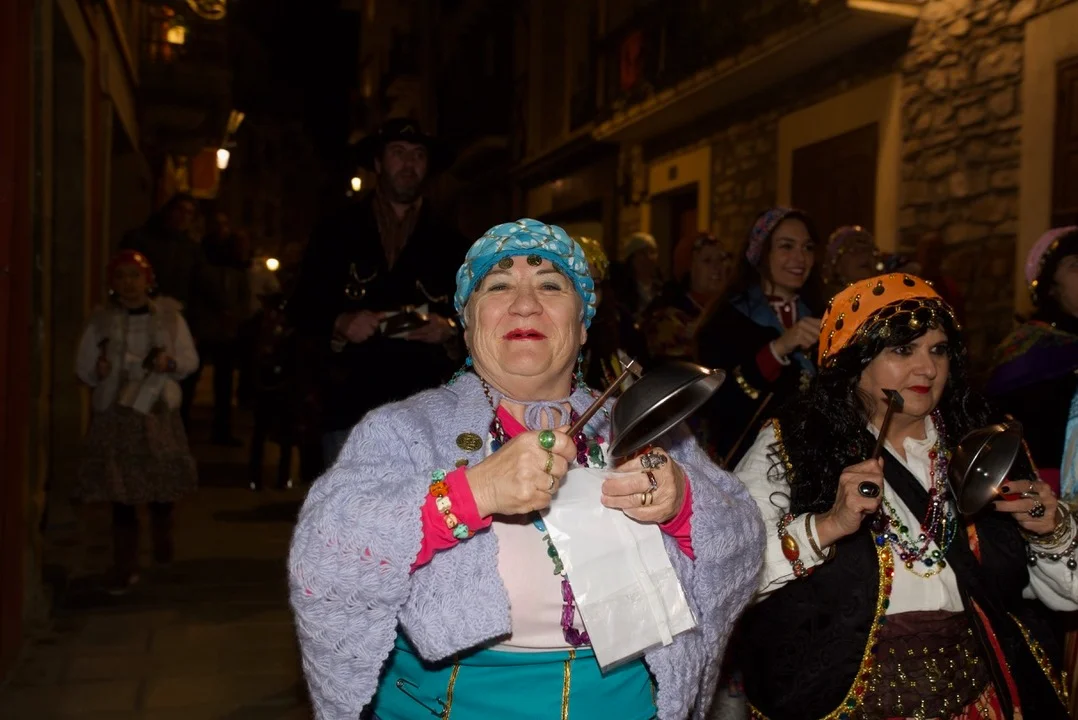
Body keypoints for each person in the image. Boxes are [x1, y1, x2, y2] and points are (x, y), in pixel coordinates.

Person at [288, 219, 765, 720]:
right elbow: (324, 550)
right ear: (468, 325)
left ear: (583, 324)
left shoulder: (645, 424)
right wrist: (472, 493)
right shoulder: (406, 430)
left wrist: (680, 503)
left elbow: (743, 537)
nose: (525, 304)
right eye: (498, 286)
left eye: (551, 285)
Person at [733, 273, 1074, 719]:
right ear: (855, 360)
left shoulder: (984, 444)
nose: (927, 369)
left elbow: (1067, 595)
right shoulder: (791, 447)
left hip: (979, 698)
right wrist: (826, 526)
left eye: (938, 350)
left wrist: (1052, 531)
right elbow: (729, 576)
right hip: (842, 703)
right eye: (903, 350)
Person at [289, 118, 470, 466]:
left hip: (425, 412)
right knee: (346, 500)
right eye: (398, 153)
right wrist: (340, 322)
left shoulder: (453, 243)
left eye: (418, 155)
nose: (409, 163)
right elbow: (301, 306)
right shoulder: (335, 232)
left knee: (423, 502)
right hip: (349, 406)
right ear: (377, 162)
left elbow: (478, 319)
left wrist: (449, 329)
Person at [74, 251, 199, 594]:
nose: (128, 283)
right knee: (121, 492)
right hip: (118, 415)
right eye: (121, 276)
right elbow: (83, 367)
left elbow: (188, 360)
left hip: (156, 412)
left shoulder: (170, 318)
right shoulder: (101, 322)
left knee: (159, 484)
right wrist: (97, 371)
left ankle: (162, 540)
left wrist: (169, 364)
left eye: (135, 275)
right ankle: (125, 565)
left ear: (148, 280)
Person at [695, 207, 824, 467]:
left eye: (807, 247)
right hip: (749, 462)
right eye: (786, 246)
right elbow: (718, 402)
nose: (800, 258)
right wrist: (777, 350)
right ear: (761, 253)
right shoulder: (727, 319)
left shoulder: (821, 313)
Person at [120, 192, 206, 427]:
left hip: (174, 320)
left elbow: (199, 288)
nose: (184, 217)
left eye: (189, 213)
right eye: (180, 211)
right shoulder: (141, 239)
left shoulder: (191, 250)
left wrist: (195, 327)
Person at [194, 216, 251, 446]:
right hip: (207, 329)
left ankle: (222, 430)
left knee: (225, 384)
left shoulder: (235, 269)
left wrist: (235, 317)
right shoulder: (203, 263)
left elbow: (243, 299)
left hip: (226, 333)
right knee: (193, 379)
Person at [645, 232, 731, 363]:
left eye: (721, 259)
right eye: (707, 260)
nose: (717, 267)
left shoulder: (734, 308)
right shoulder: (667, 317)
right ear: (689, 267)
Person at [821, 225, 881, 296]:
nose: (865, 255)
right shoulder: (823, 300)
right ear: (837, 265)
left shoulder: (885, 296)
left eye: (869, 250)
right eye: (855, 250)